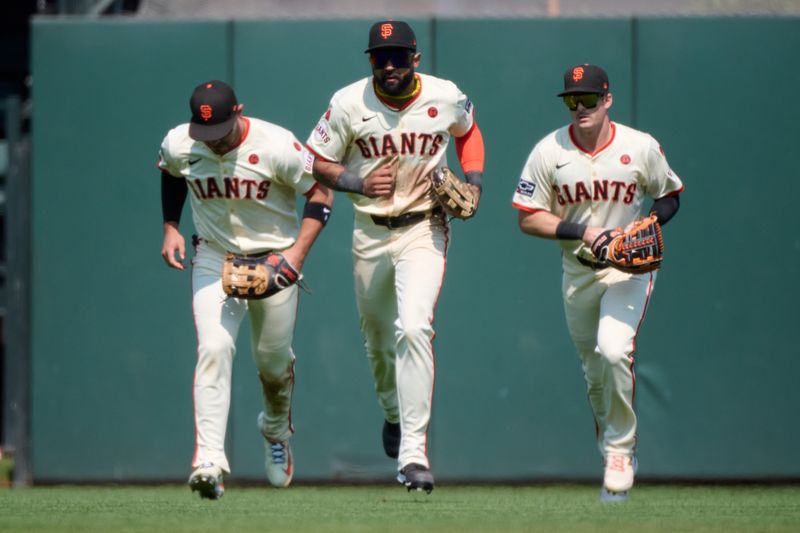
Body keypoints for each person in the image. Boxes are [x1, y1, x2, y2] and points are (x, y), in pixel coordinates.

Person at [304, 20, 485, 493]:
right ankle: (392, 412)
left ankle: (413, 453)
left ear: (415, 59)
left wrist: (475, 181)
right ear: (369, 61)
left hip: (424, 227)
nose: (389, 65)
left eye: (399, 56)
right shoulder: (348, 102)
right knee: (379, 341)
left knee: (414, 326)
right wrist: (356, 182)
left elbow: (468, 131)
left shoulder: (444, 95)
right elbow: (315, 159)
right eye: (380, 57)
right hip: (369, 230)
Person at [512, 64, 683, 501]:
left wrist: (647, 223)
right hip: (579, 270)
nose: (580, 107)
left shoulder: (639, 146)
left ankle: (621, 452)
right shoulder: (549, 151)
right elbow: (528, 218)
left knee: (614, 349)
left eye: (589, 98)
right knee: (593, 375)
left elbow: (669, 194)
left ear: (608, 100)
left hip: (629, 268)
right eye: (573, 99)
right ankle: (610, 448)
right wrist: (583, 232)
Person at [158, 80, 333, 499]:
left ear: (239, 111)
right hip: (214, 257)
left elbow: (322, 194)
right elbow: (171, 173)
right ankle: (208, 461)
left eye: (220, 132)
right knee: (214, 348)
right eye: (206, 135)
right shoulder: (181, 143)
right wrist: (170, 226)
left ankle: (275, 431)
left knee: (273, 365)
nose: (213, 143)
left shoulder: (276, 145)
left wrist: (295, 257)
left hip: (274, 260)